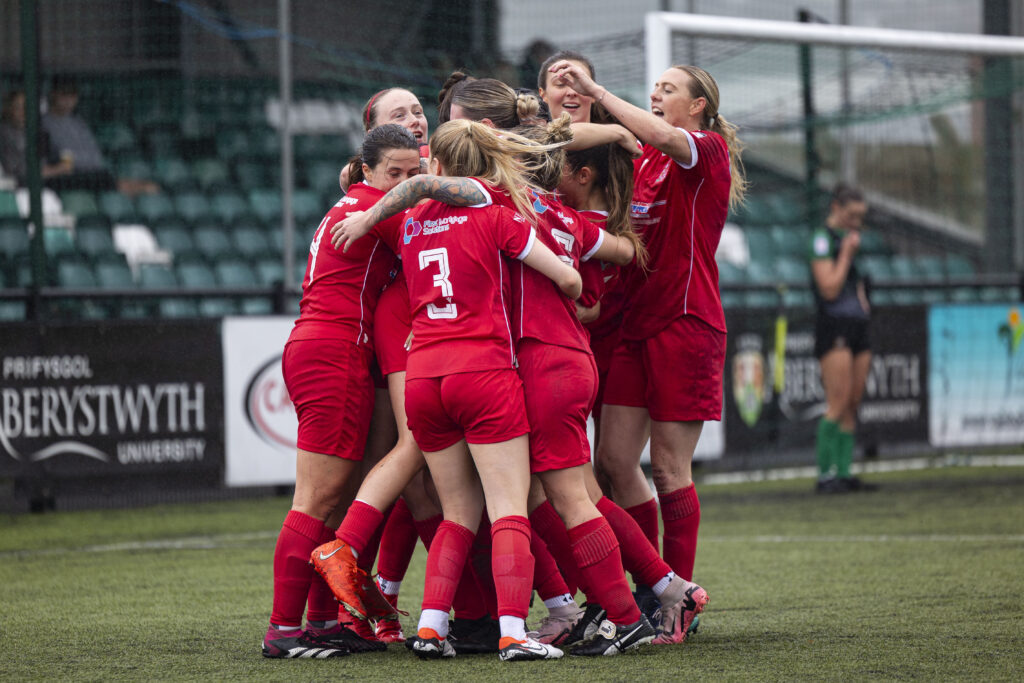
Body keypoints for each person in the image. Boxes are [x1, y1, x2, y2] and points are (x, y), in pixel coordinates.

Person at [317, 119, 581, 663]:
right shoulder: (493, 213)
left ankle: (433, 627)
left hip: (424, 378)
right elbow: (565, 278)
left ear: (435, 165)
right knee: (508, 507)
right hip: (483, 371)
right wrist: (572, 280)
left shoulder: (411, 224)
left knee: (456, 511)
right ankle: (514, 631)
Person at [547, 59, 748, 643]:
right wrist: (598, 121)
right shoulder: (642, 156)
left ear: (698, 107)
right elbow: (561, 142)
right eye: (654, 87)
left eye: (669, 89)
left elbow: (657, 133)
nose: (656, 94)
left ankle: (677, 598)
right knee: (610, 463)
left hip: (686, 323)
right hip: (633, 325)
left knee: (667, 468)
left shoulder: (703, 149)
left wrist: (598, 93)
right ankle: (649, 586)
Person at [261, 124, 421, 659]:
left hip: (327, 347)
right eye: (394, 172)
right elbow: (443, 236)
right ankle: (284, 630)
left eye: (413, 173)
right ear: (369, 171)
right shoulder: (377, 208)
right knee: (318, 498)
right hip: (334, 352)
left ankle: (322, 623)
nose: (404, 182)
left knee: (336, 499)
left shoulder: (354, 201)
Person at [809, 183, 876, 493]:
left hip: (857, 325)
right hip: (833, 327)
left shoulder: (849, 238)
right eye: (851, 215)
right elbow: (830, 288)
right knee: (837, 402)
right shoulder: (822, 240)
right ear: (836, 208)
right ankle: (826, 476)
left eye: (860, 216)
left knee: (852, 402)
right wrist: (847, 255)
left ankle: (845, 473)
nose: (856, 222)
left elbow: (853, 285)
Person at [40, 77, 156, 195]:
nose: (69, 100)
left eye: (73, 95)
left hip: (92, 172)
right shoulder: (44, 123)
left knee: (107, 177)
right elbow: (61, 160)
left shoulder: (78, 122)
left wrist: (84, 162)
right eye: (64, 94)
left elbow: (95, 155)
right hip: (66, 177)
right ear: (53, 94)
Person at [0, 88, 73, 186]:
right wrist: (57, 170)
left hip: (44, 186)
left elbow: (46, 162)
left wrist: (59, 168)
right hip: (15, 188)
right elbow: (18, 173)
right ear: (9, 109)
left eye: (27, 107)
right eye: (18, 107)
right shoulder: (4, 134)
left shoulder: (39, 132)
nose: (23, 112)